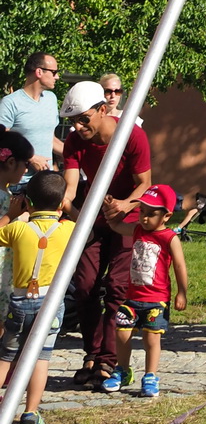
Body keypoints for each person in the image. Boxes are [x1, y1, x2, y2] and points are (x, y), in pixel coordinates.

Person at [60, 80, 152, 389]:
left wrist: (124, 206)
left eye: (84, 118)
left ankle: (108, 360)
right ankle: (92, 353)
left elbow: (145, 182)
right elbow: (71, 187)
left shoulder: (132, 135)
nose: (78, 125)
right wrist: (70, 208)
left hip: (127, 219)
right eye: (73, 120)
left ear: (103, 109)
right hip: (93, 220)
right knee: (85, 287)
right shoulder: (75, 142)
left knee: (116, 288)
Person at [0, 170, 74, 424]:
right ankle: (30, 414)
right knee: (40, 359)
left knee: (6, 356)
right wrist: (70, 208)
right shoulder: (68, 230)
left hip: (20, 302)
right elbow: (88, 233)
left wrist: (10, 213)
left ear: (27, 202)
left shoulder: (17, 228)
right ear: (61, 202)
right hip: (51, 304)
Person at [101, 183, 187, 397]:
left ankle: (150, 375)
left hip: (156, 300)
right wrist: (111, 209)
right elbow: (116, 226)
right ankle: (122, 370)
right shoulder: (137, 229)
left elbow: (179, 265)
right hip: (131, 298)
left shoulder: (169, 238)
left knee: (151, 338)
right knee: (121, 332)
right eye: (142, 212)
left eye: (151, 214)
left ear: (166, 216)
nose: (144, 218)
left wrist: (181, 292)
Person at [0, 52, 63, 175]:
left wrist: (78, 154)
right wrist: (31, 157)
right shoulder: (10, 102)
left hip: (44, 182)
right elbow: (3, 140)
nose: (57, 77)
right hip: (16, 183)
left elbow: (50, 139)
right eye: (54, 72)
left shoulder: (51, 99)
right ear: (39, 72)